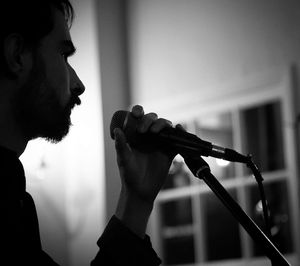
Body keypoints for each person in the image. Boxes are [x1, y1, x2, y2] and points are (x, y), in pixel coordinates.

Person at [0, 0, 175, 265]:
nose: (79, 85)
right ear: (17, 55)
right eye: (63, 55)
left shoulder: (12, 193)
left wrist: (136, 201)